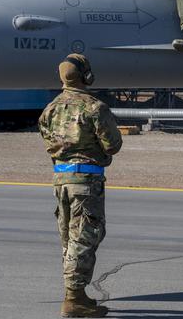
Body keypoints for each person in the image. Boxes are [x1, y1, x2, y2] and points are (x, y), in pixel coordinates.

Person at [39, 54, 122, 318]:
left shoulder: (50, 110)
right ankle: (73, 298)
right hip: (86, 183)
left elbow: (50, 146)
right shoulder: (94, 107)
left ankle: (77, 294)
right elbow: (113, 145)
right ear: (86, 76)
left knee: (69, 238)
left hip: (61, 180)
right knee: (84, 238)